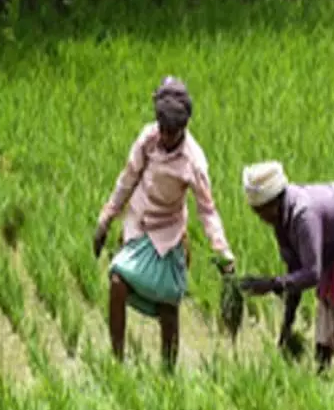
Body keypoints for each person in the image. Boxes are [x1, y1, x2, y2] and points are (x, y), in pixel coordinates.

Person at [92, 76, 235, 370]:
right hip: (139, 225)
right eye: (163, 129)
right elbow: (128, 179)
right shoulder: (148, 139)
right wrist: (106, 219)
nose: (166, 136)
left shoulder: (194, 162)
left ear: (184, 127)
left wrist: (223, 251)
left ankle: (168, 374)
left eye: (173, 131)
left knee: (168, 308)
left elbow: (207, 211)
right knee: (117, 283)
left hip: (169, 235)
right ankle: (117, 362)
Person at [236, 161, 334, 374]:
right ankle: (321, 376)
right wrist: (286, 330)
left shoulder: (303, 215)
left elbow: (311, 274)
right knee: (328, 298)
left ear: (274, 202)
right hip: (333, 242)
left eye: (262, 212)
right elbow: (295, 271)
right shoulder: (281, 220)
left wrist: (271, 285)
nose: (261, 218)